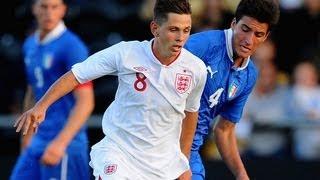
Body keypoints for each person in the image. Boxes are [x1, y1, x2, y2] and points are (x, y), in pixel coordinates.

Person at [14, 0, 207, 179]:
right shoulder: (126, 53)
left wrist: (183, 160)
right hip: (118, 152)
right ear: (155, 28)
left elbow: (190, 113)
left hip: (161, 163)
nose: (181, 38)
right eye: (174, 30)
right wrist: (41, 106)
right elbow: (76, 75)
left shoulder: (195, 68)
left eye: (186, 30)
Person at [182, 0, 280, 179]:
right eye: (245, 29)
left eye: (258, 34)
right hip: (158, 141)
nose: (249, 40)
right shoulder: (202, 46)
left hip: (190, 152)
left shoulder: (249, 75)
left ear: (265, 37)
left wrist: (242, 175)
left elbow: (224, 130)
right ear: (234, 23)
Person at [10, 0, 94, 179]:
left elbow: (86, 101)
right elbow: (33, 88)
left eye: (54, 7)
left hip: (65, 142)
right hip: (38, 138)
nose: (49, 12)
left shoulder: (72, 46)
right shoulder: (29, 44)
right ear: (34, 8)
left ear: (63, 10)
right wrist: (27, 134)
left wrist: (61, 143)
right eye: (44, 6)